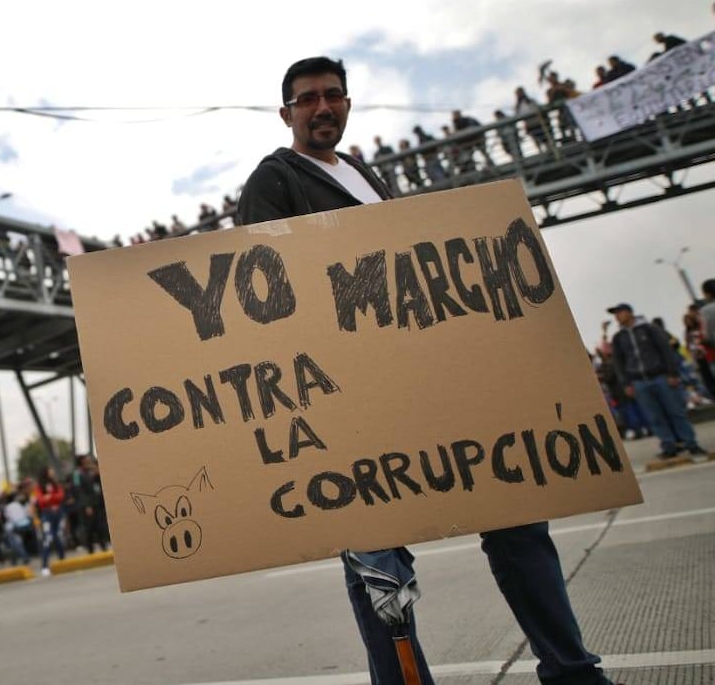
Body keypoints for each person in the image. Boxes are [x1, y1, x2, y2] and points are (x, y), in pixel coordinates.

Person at [237, 55, 618, 685]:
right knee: (381, 567)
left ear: (349, 105)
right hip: (357, 405)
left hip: (428, 388)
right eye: (307, 100)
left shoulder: (365, 174)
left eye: (334, 95)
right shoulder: (275, 181)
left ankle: (573, 671)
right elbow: (265, 294)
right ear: (286, 114)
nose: (322, 107)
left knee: (519, 519)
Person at [608, 303, 706, 459]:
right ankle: (669, 445)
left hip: (660, 377)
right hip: (639, 381)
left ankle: (690, 443)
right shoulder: (619, 338)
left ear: (629, 313)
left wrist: (672, 373)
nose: (617, 317)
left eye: (619, 313)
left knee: (675, 411)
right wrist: (626, 383)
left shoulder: (649, 329)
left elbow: (666, 350)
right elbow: (619, 362)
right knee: (655, 416)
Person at [34, 467, 67, 576]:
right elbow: (40, 500)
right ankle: (44, 565)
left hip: (58, 514)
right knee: (48, 538)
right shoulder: (39, 486)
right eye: (50, 470)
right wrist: (52, 499)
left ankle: (62, 561)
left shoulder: (55, 484)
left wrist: (50, 497)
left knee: (59, 536)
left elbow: (61, 496)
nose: (52, 472)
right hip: (47, 515)